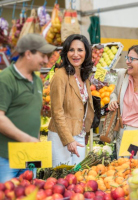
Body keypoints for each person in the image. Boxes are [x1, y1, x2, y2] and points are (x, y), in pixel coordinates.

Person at [0, 33, 56, 183]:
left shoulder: (37, 81)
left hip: (30, 156)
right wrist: (26, 139)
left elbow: (34, 116)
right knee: (7, 194)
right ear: (28, 54)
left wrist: (35, 148)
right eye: (42, 55)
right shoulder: (6, 79)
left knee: (29, 194)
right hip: (6, 157)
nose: (46, 60)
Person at [48, 34, 94, 167]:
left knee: (77, 178)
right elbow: (57, 111)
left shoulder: (84, 76)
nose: (76, 54)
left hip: (79, 134)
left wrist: (85, 131)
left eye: (80, 50)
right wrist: (68, 140)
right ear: (66, 53)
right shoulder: (60, 76)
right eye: (71, 50)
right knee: (62, 180)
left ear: (86, 52)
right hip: (61, 136)